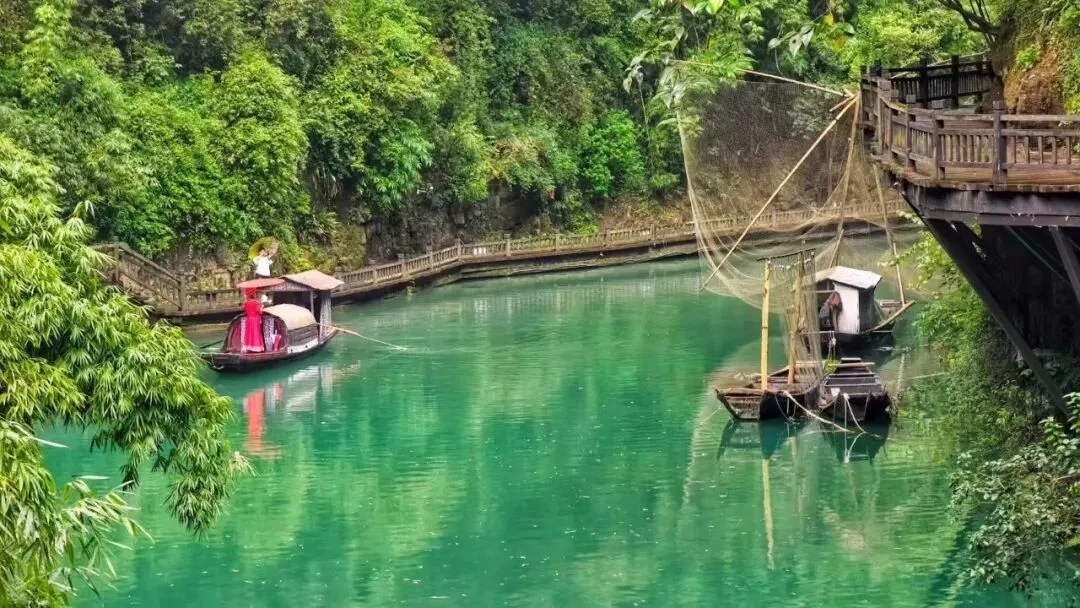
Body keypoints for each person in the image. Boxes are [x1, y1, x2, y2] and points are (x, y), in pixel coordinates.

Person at [241, 289, 265, 353]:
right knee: (255, 333)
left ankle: (248, 347)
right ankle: (256, 348)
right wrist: (262, 306)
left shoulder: (246, 303)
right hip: (255, 319)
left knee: (249, 333)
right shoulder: (257, 302)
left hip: (249, 319)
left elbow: (245, 310)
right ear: (254, 294)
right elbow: (260, 312)